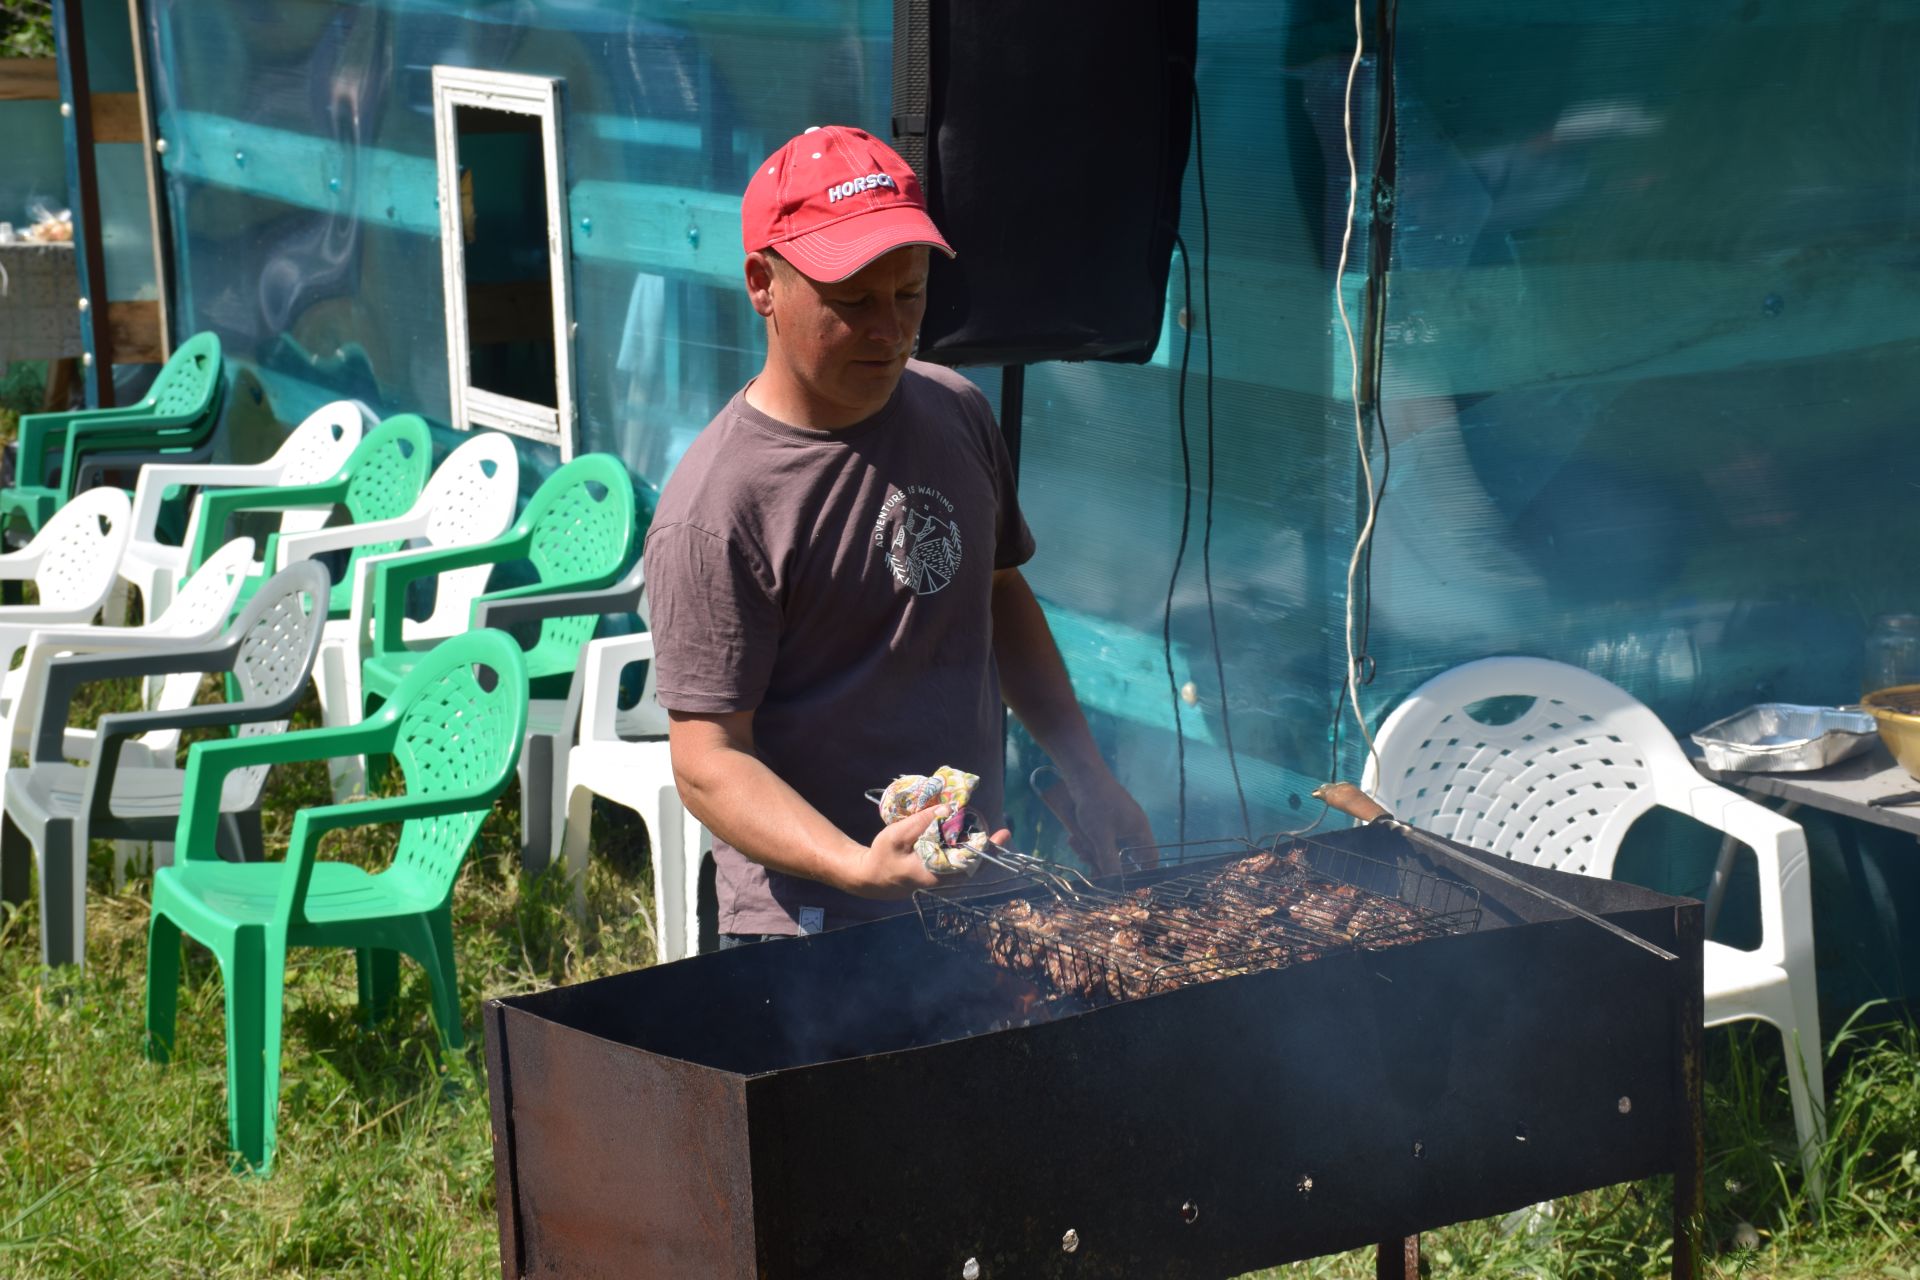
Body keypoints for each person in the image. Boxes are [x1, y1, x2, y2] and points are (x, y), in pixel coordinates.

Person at [643, 124, 1153, 945]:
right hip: (808, 924)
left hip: (970, 884)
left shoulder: (956, 410)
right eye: (852, 303)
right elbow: (707, 760)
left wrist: (1086, 771)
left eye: (908, 295)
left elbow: (999, 595)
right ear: (762, 284)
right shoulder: (718, 507)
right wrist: (855, 865)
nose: (889, 330)